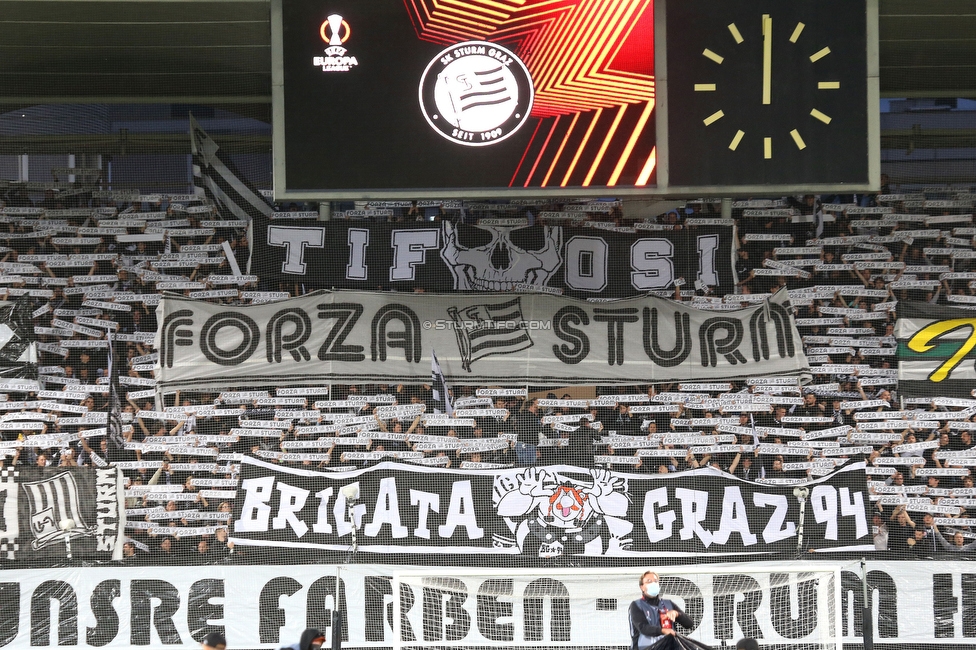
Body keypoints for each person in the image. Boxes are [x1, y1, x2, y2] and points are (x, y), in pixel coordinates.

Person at [629, 571, 696, 650]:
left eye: (656, 581)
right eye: (649, 581)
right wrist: (663, 631)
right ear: (642, 587)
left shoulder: (669, 604)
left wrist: (678, 614)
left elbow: (689, 624)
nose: (653, 584)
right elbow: (643, 628)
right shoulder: (636, 605)